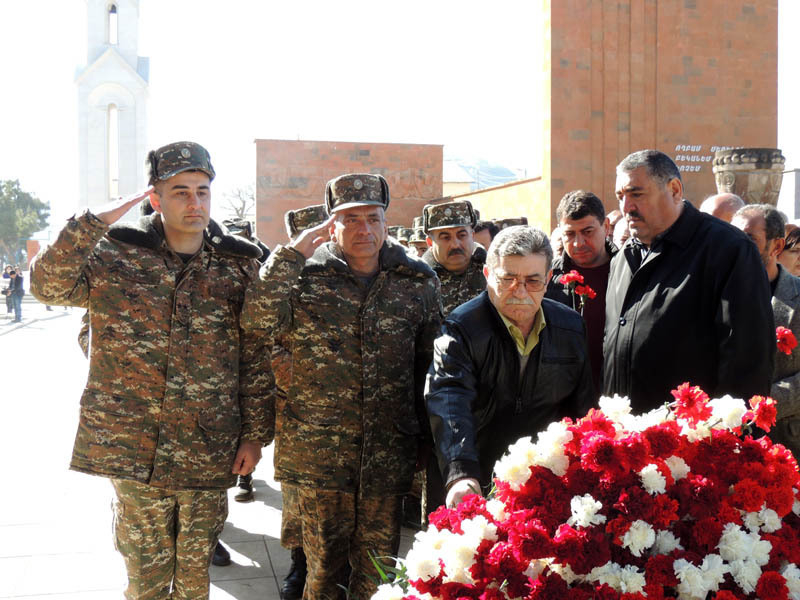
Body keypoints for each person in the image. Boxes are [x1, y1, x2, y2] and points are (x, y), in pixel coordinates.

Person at [30, 141, 275, 600]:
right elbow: (48, 284)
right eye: (180, 191)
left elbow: (255, 353)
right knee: (145, 580)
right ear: (155, 199)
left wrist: (254, 435)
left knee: (194, 581)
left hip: (208, 443)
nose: (194, 202)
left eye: (202, 191)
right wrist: (93, 222)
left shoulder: (238, 265)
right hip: (133, 446)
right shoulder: (115, 255)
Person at [242, 173, 442, 600]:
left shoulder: (418, 281)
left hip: (387, 455)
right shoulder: (302, 277)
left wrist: (427, 437)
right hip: (318, 457)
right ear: (330, 225)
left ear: (387, 222)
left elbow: (429, 365)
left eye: (373, 218)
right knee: (322, 574)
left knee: (378, 573)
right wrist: (290, 255)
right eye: (350, 219)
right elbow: (254, 322)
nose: (364, 230)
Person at [426, 225, 593, 508]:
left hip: (541, 480)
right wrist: (462, 472)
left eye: (532, 280)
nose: (520, 291)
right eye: (508, 279)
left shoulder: (570, 327)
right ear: (488, 275)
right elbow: (449, 398)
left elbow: (582, 410)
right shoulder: (460, 328)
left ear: (549, 278)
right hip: (474, 478)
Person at [604, 149, 773, 411]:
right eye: (620, 197)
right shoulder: (622, 259)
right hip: (626, 438)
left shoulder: (728, 250)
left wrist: (722, 440)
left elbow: (746, 362)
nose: (627, 207)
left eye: (636, 194)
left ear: (674, 190)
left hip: (690, 442)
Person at [274, 203, 328, 600]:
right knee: (296, 498)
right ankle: (298, 564)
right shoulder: (286, 278)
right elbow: (264, 341)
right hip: (294, 407)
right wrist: (299, 378)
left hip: (337, 410)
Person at [731, 204, 800, 456]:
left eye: (748, 239)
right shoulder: (716, 295)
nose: (737, 246)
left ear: (777, 246)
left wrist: (759, 403)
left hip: (787, 443)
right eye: (733, 237)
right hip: (728, 442)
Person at [545, 190, 616, 393]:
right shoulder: (547, 280)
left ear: (606, 226)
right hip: (563, 395)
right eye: (569, 234)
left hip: (618, 394)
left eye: (587, 232)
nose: (578, 243)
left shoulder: (630, 272)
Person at [422, 199, 487, 315]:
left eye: (462, 235)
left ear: (472, 236)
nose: (455, 244)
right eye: (445, 237)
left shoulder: (492, 272)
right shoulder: (418, 280)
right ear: (430, 243)